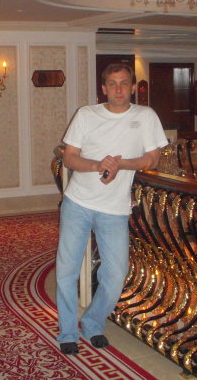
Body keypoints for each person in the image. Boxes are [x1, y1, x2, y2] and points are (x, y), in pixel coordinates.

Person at [55, 63, 168, 355]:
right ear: (103, 88)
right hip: (78, 203)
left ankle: (92, 322)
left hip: (115, 209)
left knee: (116, 273)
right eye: (113, 83)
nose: (119, 89)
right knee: (67, 270)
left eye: (124, 83)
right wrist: (98, 165)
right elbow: (69, 158)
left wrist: (120, 164)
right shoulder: (86, 114)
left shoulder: (145, 116)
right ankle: (68, 331)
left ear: (133, 87)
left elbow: (153, 159)